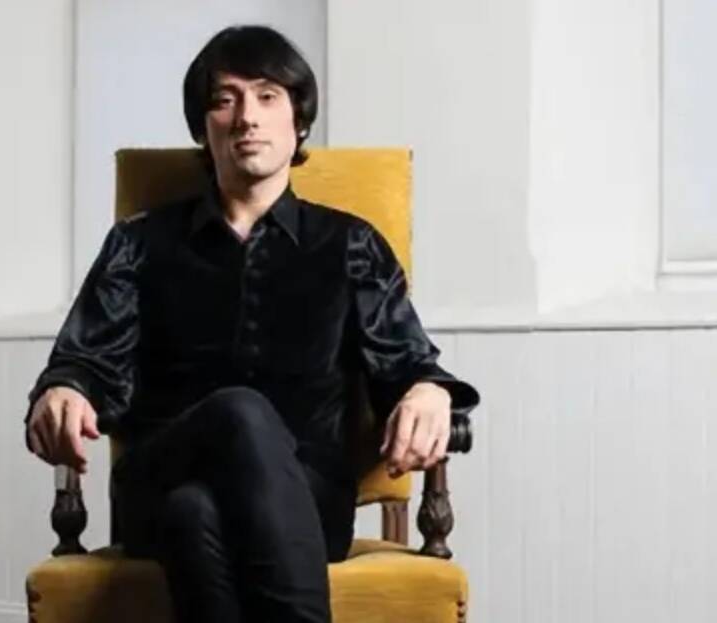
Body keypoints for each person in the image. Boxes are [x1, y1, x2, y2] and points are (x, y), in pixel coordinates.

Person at [24, 24, 479, 623]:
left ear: (299, 122)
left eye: (267, 96)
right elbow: (87, 361)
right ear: (202, 126)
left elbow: (407, 361)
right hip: (160, 478)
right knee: (236, 415)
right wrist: (66, 388)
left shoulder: (350, 244)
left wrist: (427, 390)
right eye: (225, 99)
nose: (246, 118)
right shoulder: (139, 243)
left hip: (305, 499)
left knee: (196, 512)